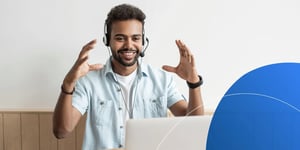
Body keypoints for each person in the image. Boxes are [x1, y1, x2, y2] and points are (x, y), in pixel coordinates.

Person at [53, 3, 204, 150]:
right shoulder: (89, 82)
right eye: (120, 38)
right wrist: (68, 84)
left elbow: (193, 124)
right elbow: (61, 131)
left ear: (143, 41)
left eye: (135, 38)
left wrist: (193, 83)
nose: (129, 45)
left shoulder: (162, 80)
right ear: (108, 40)